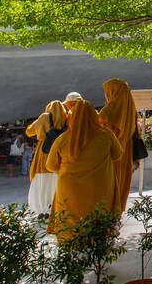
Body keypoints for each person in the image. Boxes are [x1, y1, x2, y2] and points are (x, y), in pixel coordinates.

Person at [46, 100, 123, 239]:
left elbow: (50, 165)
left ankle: (70, 243)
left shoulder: (62, 139)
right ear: (95, 116)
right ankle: (98, 243)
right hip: (100, 187)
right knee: (98, 218)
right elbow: (117, 155)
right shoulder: (106, 135)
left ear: (71, 118)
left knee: (68, 222)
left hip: (68, 188)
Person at [98, 78, 138, 217]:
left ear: (112, 92)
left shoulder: (107, 112)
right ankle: (117, 215)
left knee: (108, 187)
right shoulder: (131, 110)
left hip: (110, 154)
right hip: (126, 153)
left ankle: (107, 217)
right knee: (121, 184)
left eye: (106, 92)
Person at [26, 100, 67, 217]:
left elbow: (29, 132)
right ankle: (56, 208)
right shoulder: (66, 118)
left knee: (42, 180)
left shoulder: (44, 117)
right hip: (60, 152)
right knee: (56, 180)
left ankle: (42, 209)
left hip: (44, 151)